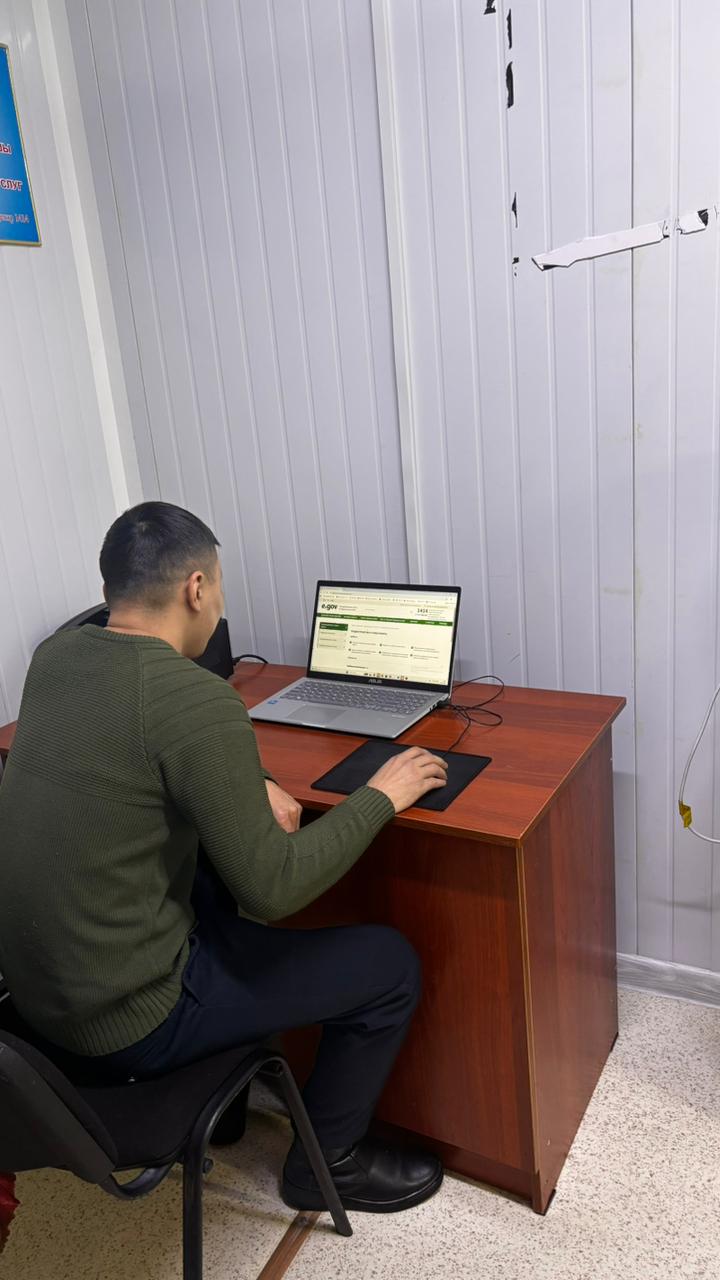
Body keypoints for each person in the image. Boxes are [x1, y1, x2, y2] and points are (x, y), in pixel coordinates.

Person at [0, 502, 449, 1214]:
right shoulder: (195, 698)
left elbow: (142, 757)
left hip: (35, 1009)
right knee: (390, 966)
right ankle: (327, 1166)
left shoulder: (54, 660)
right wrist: (381, 796)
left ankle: (234, 1109)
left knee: (210, 877)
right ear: (197, 588)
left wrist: (250, 777)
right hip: (130, 1023)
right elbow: (275, 887)